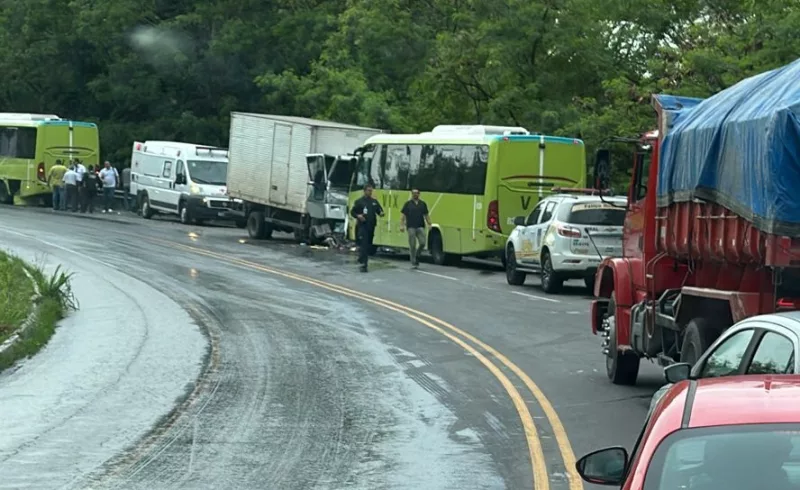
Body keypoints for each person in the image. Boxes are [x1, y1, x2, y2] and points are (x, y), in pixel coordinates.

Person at [350, 184, 384, 272]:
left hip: (371, 226)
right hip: (362, 226)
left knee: (368, 244)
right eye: (368, 190)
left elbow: (379, 210)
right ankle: (364, 264)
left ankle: (361, 258)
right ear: (364, 191)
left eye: (371, 190)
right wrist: (358, 216)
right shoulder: (359, 201)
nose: (370, 192)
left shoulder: (374, 201)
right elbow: (352, 212)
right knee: (364, 244)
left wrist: (381, 213)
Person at [399, 188, 431, 268]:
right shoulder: (408, 204)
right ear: (411, 194)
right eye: (413, 193)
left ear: (419, 194)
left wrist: (429, 224)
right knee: (412, 245)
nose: (415, 194)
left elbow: (426, 215)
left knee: (423, 242)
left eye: (416, 193)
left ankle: (418, 254)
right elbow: (403, 216)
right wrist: (402, 225)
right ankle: (414, 261)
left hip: (420, 226)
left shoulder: (423, 204)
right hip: (411, 226)